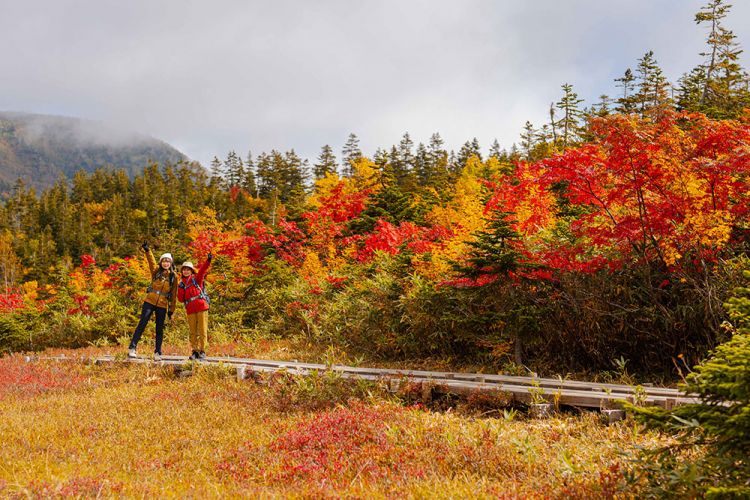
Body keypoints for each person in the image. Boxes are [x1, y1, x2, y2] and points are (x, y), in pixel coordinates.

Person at [127, 242, 178, 361]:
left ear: (171, 263)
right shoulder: (156, 271)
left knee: (159, 328)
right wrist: (147, 250)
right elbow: (151, 261)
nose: (166, 263)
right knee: (142, 323)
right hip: (149, 301)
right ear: (161, 262)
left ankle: (158, 352)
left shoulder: (173, 277)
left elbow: (174, 295)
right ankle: (132, 348)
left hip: (162, 304)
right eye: (164, 261)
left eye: (168, 261)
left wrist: (171, 310)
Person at [178, 252, 212, 360]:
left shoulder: (196, 279)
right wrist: (180, 288)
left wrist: (208, 261)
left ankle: (202, 351)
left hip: (201, 306)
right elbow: (180, 299)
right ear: (182, 271)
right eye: (184, 269)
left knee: (202, 330)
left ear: (192, 270)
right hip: (190, 308)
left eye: (188, 269)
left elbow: (202, 271)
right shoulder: (181, 284)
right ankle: (195, 351)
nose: (186, 271)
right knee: (192, 331)